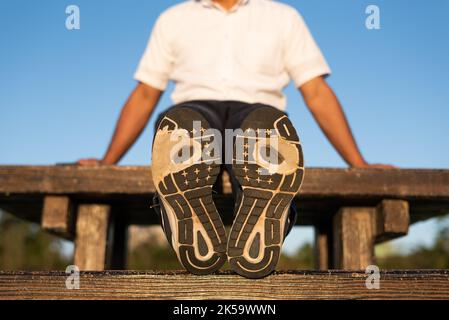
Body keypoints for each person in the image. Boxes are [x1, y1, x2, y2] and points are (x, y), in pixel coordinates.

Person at [78, 0, 393, 278]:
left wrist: (359, 163)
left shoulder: (283, 17)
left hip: (256, 116)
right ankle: (195, 203)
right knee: (187, 127)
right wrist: (107, 162)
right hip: (194, 113)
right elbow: (146, 93)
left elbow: (317, 92)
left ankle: (258, 219)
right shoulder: (173, 18)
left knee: (259, 134)